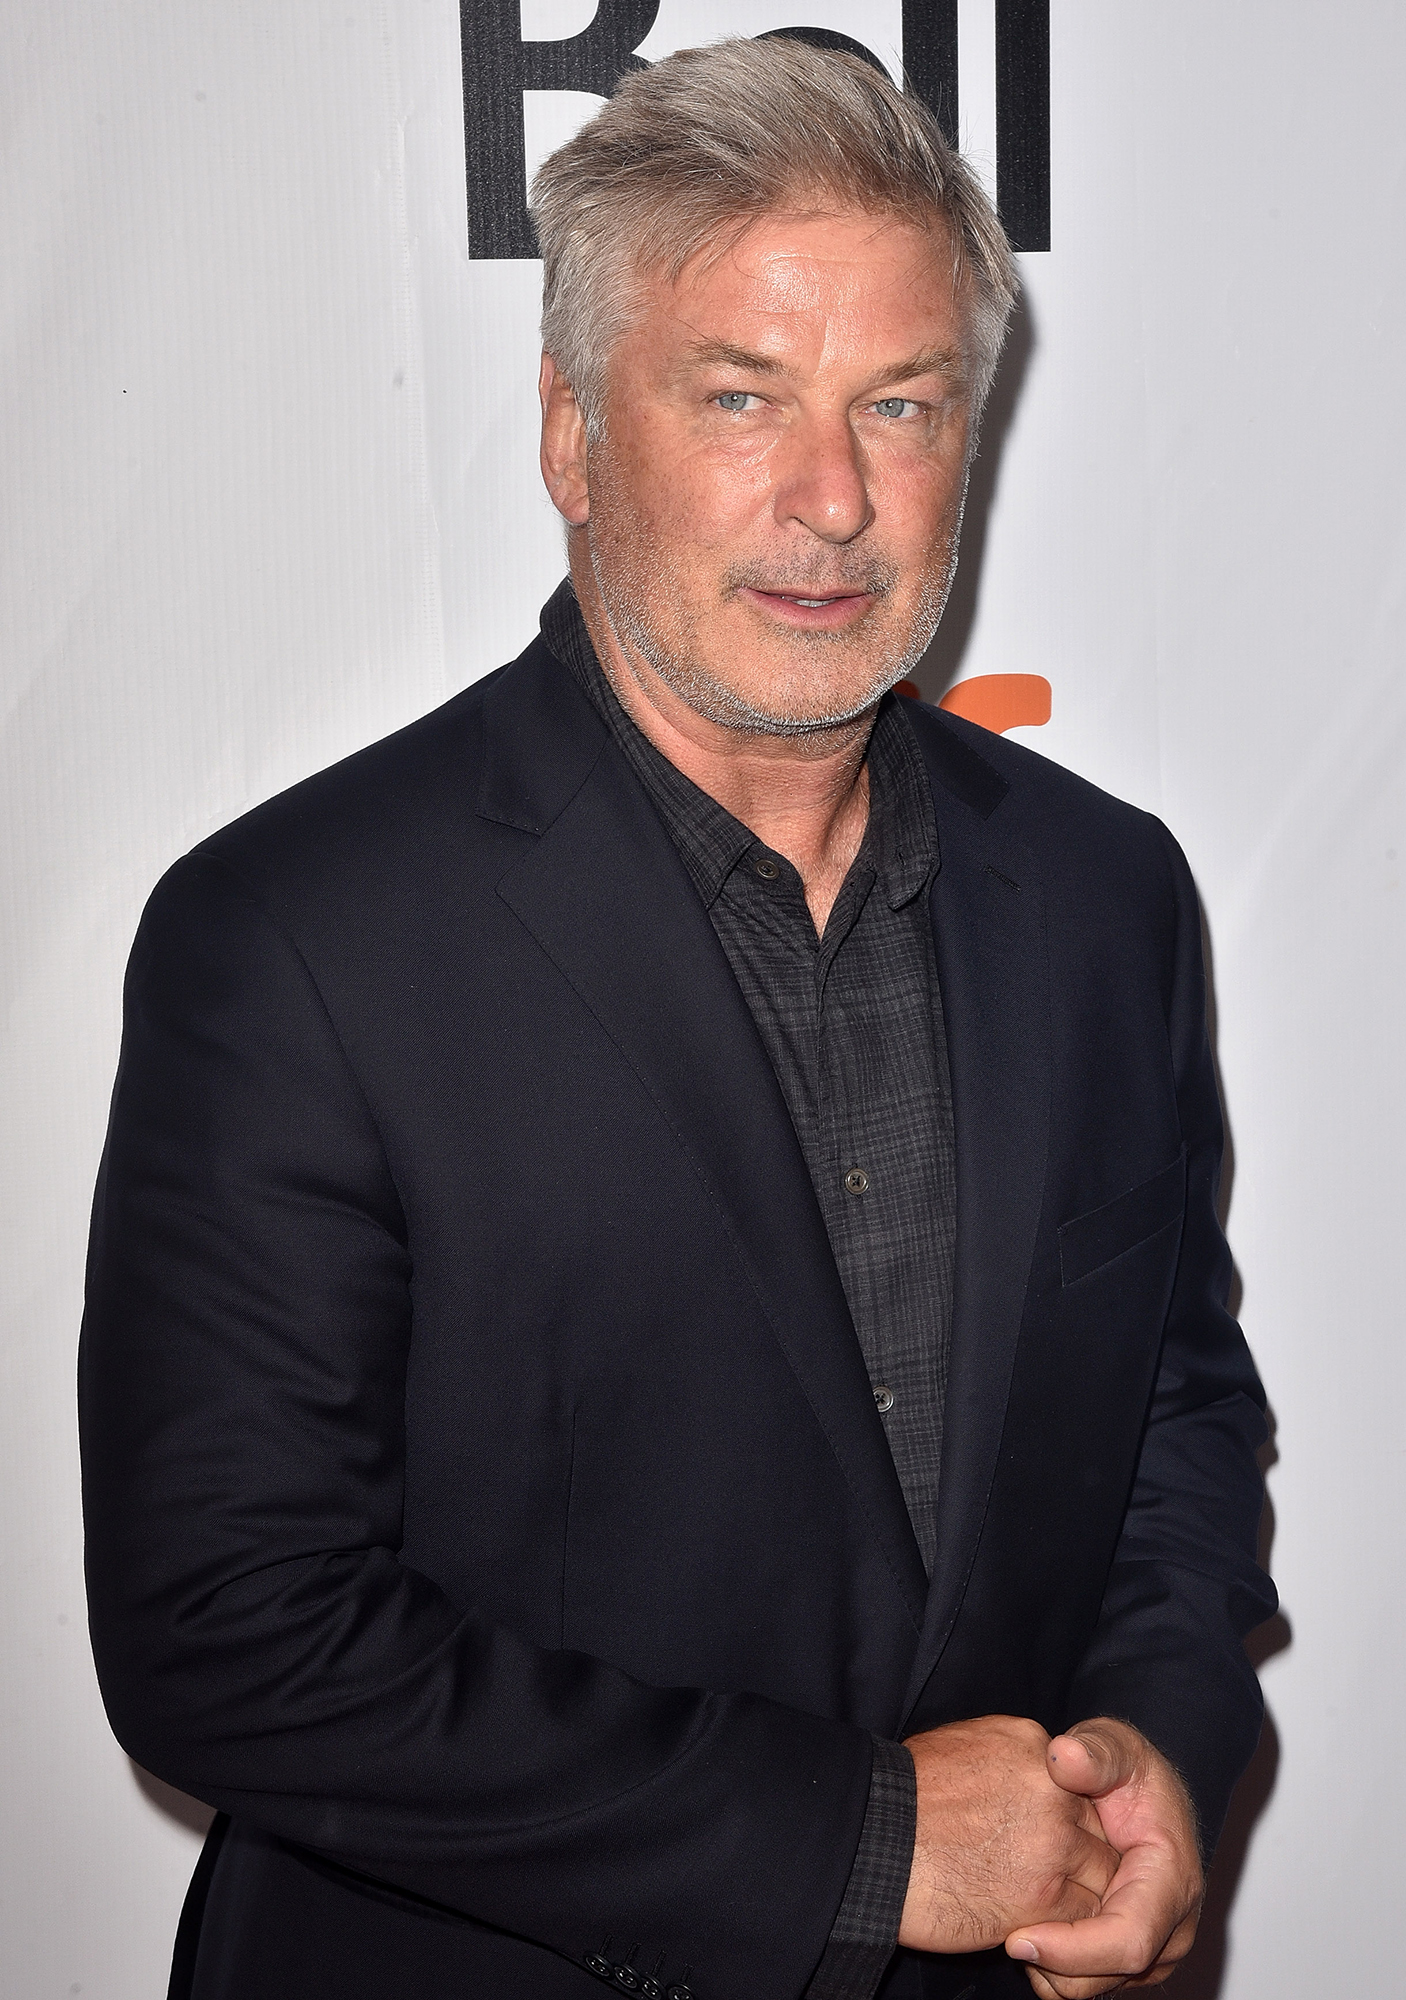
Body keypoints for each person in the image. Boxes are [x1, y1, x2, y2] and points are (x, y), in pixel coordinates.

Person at [79, 37, 1276, 2000]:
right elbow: (230, 1629)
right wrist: (866, 1842)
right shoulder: (293, 934)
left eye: (900, 403)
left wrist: (1149, 1749)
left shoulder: (1102, 894)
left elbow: (1173, 1421)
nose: (833, 495)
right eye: (740, 396)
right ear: (571, 437)